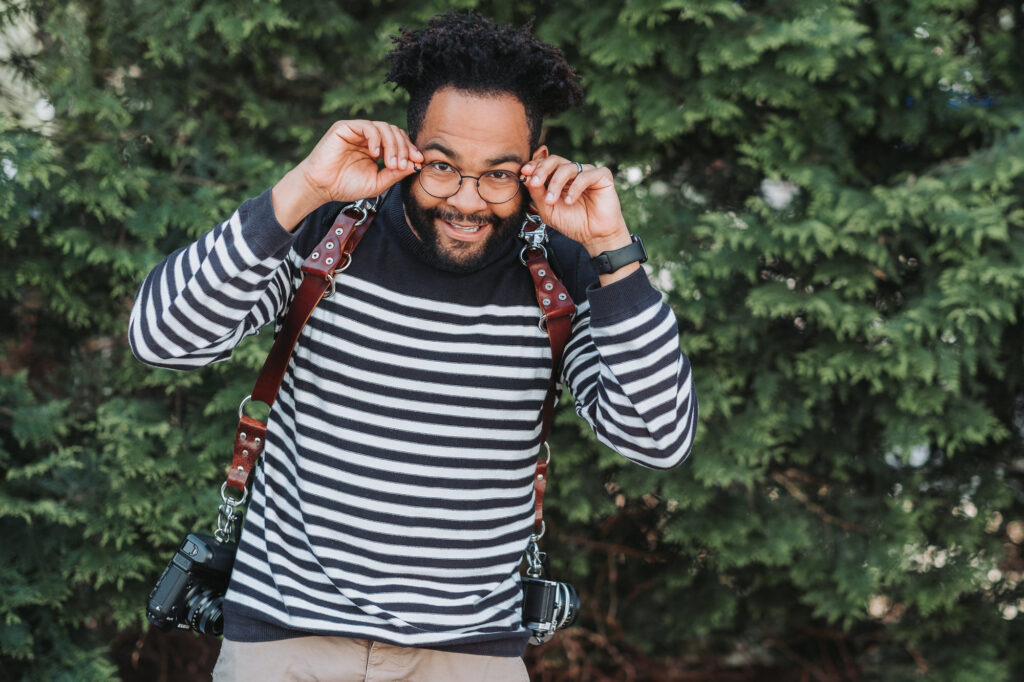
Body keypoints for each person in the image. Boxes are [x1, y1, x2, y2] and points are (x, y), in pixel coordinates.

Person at [130, 11, 696, 682]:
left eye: (498, 174)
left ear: (535, 168)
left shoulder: (564, 271)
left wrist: (613, 253)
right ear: (407, 148)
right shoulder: (327, 230)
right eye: (441, 166)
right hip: (284, 643)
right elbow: (161, 338)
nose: (466, 199)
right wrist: (302, 187)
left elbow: (658, 438)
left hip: (468, 655)